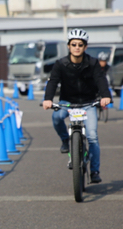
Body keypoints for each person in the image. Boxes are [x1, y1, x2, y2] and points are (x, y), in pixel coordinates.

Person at [42, 28, 112, 183]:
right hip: (67, 103)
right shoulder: (60, 64)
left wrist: (106, 96)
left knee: (92, 136)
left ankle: (94, 171)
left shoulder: (93, 63)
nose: (77, 47)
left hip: (88, 103)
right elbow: (53, 81)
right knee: (56, 118)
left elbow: (101, 80)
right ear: (69, 46)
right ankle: (65, 140)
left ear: (85, 47)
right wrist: (48, 99)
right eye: (73, 44)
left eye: (80, 44)